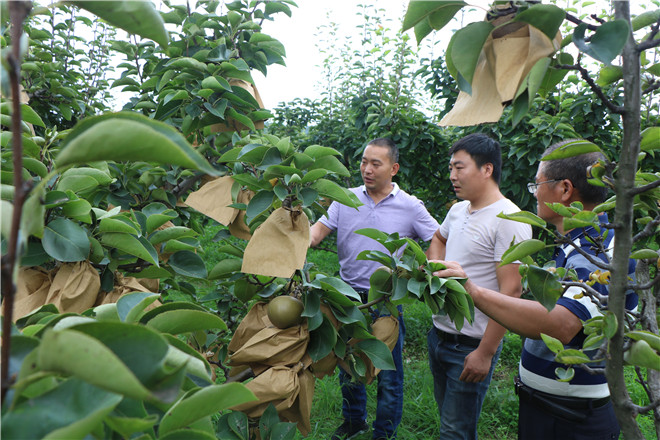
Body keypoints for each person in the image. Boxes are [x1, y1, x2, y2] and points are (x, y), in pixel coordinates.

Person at [431, 140, 638, 439]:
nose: (535, 193)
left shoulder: (604, 253)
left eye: (537, 184)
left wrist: (472, 291)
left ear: (564, 190)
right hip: (548, 409)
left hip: (573, 421)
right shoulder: (574, 247)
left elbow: (563, 324)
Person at [309, 137, 443, 440]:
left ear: (393, 168)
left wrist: (429, 267)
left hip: (384, 298)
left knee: (389, 372)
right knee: (349, 362)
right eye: (363, 162)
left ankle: (384, 433)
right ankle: (354, 421)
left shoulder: (410, 206)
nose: (366, 169)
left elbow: (438, 237)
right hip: (345, 294)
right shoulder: (345, 198)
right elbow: (316, 233)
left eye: (375, 163)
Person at [425, 133, 532, 440]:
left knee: (455, 432)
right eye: (450, 168)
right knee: (447, 419)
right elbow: (439, 238)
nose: (452, 176)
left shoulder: (508, 218)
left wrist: (486, 351)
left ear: (487, 169)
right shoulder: (459, 210)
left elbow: (511, 291)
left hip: (471, 344)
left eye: (459, 167)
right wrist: (435, 268)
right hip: (439, 335)